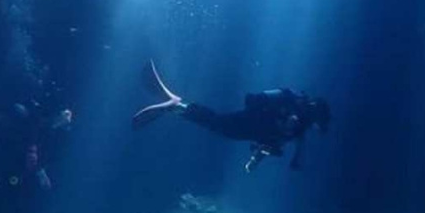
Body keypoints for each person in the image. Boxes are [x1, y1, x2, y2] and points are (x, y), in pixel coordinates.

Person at [132, 60, 330, 172]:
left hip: (249, 126)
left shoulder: (298, 125)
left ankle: (176, 105)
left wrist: (254, 161)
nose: (314, 125)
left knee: (215, 123)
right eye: (317, 121)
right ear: (315, 112)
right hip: (249, 123)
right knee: (215, 123)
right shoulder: (295, 117)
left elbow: (271, 144)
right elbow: (272, 131)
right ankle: (175, 105)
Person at [0, 100, 73, 197]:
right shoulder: (32, 123)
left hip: (20, 170)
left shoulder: (50, 135)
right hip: (11, 161)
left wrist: (40, 171)